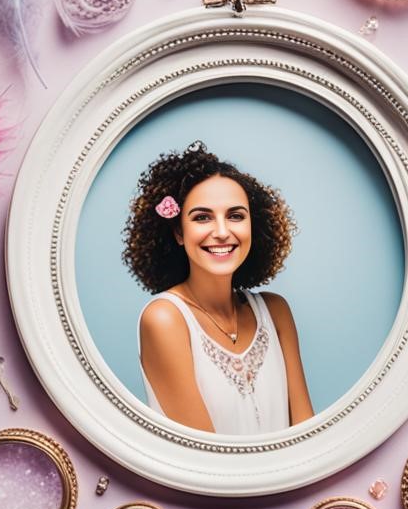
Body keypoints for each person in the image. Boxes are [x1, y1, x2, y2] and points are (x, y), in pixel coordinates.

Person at [122, 142, 314, 435]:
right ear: (178, 233)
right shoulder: (165, 319)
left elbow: (308, 436)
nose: (222, 232)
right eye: (202, 217)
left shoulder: (276, 312)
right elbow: (207, 461)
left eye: (236, 216)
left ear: (254, 224)